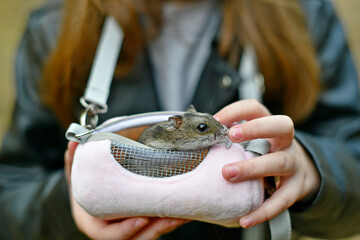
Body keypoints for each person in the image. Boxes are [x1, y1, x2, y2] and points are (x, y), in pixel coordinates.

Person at [0, 0, 359, 239]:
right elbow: (11, 194)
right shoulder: (53, 29)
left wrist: (311, 169)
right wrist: (76, 200)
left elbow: (351, 159)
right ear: (177, 125)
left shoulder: (307, 13)